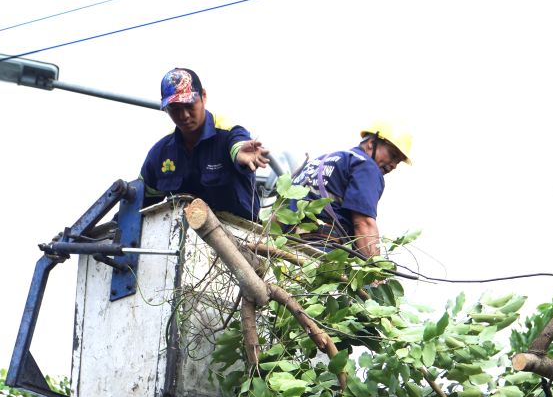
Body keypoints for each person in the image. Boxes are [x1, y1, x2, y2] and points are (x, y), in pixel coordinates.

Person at [140, 67, 269, 220]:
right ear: (166, 109)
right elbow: (137, 201)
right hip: (181, 235)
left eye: (189, 106)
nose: (184, 116)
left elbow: (237, 145)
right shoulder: (160, 154)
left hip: (238, 234)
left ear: (204, 96)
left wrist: (239, 153)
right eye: (175, 109)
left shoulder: (228, 133)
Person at [290, 120, 413, 257]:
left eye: (398, 161)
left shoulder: (320, 161)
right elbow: (364, 223)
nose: (394, 165)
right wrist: (375, 271)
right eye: (393, 155)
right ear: (372, 143)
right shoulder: (366, 166)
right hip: (323, 249)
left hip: (287, 248)